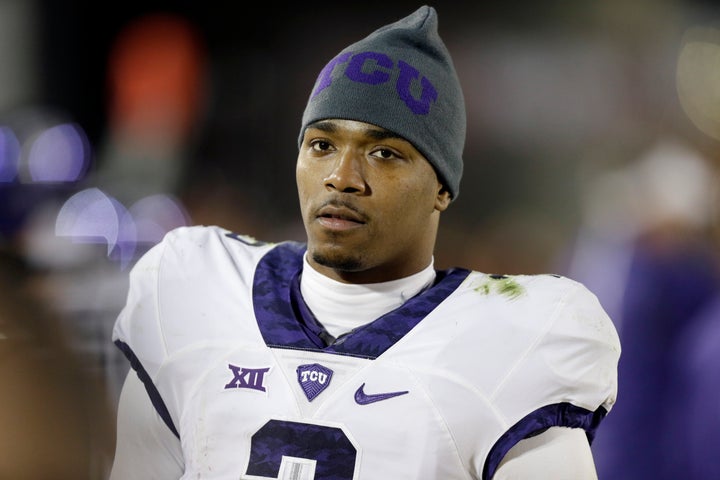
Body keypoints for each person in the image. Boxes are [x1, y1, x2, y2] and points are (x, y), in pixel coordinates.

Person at [109, 6, 620, 479]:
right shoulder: (193, 297)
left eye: (383, 154)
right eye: (322, 145)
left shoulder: (516, 343)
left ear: (441, 187)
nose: (341, 176)